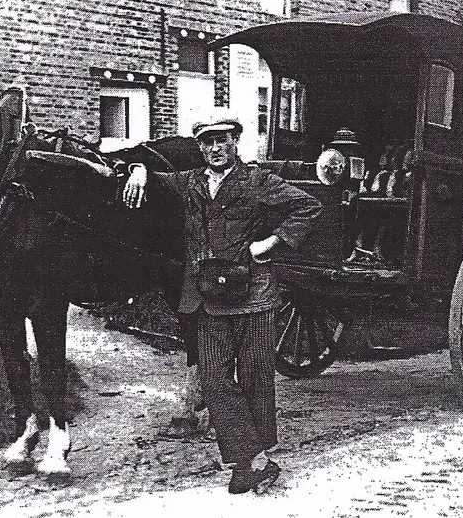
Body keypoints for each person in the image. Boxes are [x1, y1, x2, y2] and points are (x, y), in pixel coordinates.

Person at [123, 108, 322, 495]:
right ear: (198, 147)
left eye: (221, 140)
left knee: (254, 381)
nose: (214, 148)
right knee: (215, 383)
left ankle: (249, 463)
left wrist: (272, 242)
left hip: (253, 297)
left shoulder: (258, 181)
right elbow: (157, 177)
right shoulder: (190, 182)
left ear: (235, 142)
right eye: (206, 142)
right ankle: (256, 460)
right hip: (207, 298)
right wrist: (138, 170)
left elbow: (308, 207)